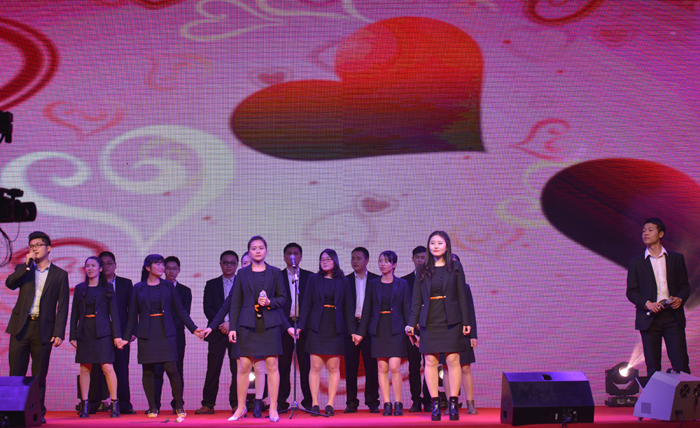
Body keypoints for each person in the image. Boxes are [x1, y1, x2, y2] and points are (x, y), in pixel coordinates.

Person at [204, 236, 288, 422]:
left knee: (272, 366)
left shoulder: (275, 273)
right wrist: (232, 327)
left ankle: (273, 409)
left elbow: (283, 299)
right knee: (244, 367)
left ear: (266, 251)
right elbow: (234, 302)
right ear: (249, 252)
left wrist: (269, 302)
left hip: (270, 325)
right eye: (254, 248)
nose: (257, 251)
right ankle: (240, 408)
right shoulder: (242, 274)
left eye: (261, 248)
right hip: (247, 325)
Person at [122, 254, 204, 418]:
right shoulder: (138, 287)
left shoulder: (168, 286)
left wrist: (194, 329)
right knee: (148, 371)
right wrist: (126, 337)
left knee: (172, 369)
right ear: (148, 268)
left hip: (166, 332)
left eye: (162, 264)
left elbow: (180, 310)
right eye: (158, 264)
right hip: (147, 333)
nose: (162, 267)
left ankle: (179, 405)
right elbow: (132, 315)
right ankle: (153, 407)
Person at [406, 231, 471, 421]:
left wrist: (466, 322)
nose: (435, 246)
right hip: (430, 320)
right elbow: (416, 299)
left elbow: (462, 296)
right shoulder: (422, 269)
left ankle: (453, 403)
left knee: (453, 361)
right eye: (432, 243)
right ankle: (435, 404)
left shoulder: (456, 267)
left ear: (447, 245)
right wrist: (411, 323)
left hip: (451, 320)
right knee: (430, 362)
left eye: (439, 243)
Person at [5, 231, 69, 424]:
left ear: (48, 248)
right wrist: (26, 266)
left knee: (39, 375)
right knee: (16, 374)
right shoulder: (24, 269)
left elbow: (63, 306)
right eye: (31, 246)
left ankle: (38, 412)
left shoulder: (60, 274)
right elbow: (10, 284)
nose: (34, 249)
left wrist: (59, 332)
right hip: (20, 328)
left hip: (44, 329)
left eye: (38, 245)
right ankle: (12, 413)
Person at [627, 218, 691, 375]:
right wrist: (647, 303)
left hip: (672, 317)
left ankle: (685, 392)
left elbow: (685, 286)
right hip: (649, 319)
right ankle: (654, 393)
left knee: (681, 363)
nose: (645, 233)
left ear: (661, 234)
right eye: (643, 230)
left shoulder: (676, 259)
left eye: (650, 230)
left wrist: (680, 299)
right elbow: (631, 291)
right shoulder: (636, 263)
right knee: (653, 367)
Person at [298, 249, 356, 416]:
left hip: (335, 326)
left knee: (333, 367)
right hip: (316, 326)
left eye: (328, 259)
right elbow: (306, 305)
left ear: (335, 261)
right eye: (322, 259)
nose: (324, 261)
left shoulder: (344, 281)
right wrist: (300, 326)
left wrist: (353, 331)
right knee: (315, 367)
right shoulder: (313, 279)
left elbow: (348, 308)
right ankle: (315, 403)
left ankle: (330, 404)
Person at [354, 251, 411, 416]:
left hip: (396, 329)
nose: (382, 264)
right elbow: (367, 310)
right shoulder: (373, 284)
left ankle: (398, 403)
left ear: (394, 265)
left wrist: (411, 330)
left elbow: (407, 309)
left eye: (386, 261)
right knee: (382, 367)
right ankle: (386, 403)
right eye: (380, 261)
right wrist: (360, 333)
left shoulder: (402, 284)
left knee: (394, 367)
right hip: (378, 329)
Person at [69, 256, 124, 418]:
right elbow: (74, 314)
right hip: (85, 331)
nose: (90, 269)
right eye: (87, 266)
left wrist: (117, 336)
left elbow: (114, 314)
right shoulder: (80, 288)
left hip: (103, 332)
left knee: (107, 367)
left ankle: (114, 403)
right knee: (84, 368)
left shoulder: (107, 288)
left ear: (100, 269)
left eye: (93, 266)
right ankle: (85, 404)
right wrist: (73, 335)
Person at [88, 251, 135, 415]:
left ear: (115, 265)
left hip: (121, 333)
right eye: (103, 263)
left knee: (121, 368)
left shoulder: (125, 284)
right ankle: (93, 403)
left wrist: (131, 332)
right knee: (96, 369)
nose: (106, 266)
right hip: (98, 333)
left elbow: (132, 310)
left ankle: (124, 404)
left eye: (109, 263)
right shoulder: (93, 284)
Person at [196, 251, 240, 415]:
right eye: (225, 262)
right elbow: (207, 308)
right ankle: (208, 404)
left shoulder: (242, 284)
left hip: (236, 333)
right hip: (216, 333)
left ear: (237, 265)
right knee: (213, 369)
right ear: (220, 264)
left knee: (237, 370)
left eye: (232, 263)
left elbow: (245, 308)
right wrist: (221, 324)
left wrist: (231, 325)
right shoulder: (211, 284)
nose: (229, 266)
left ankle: (236, 404)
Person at [440, 254, 478, 415]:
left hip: (462, 332)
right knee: (446, 368)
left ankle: (470, 403)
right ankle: (451, 403)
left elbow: (470, 312)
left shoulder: (465, 287)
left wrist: (473, 335)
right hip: (443, 331)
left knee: (465, 367)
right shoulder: (438, 286)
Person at [344, 247, 380, 413]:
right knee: (350, 367)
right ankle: (351, 402)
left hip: (370, 329)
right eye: (353, 258)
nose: (355, 261)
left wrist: (362, 331)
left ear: (367, 260)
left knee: (371, 367)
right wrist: (354, 331)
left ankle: (372, 402)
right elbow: (344, 308)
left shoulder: (376, 280)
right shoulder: (345, 280)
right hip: (350, 329)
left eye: (358, 258)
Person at [153, 256, 192, 414]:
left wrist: (168, 329)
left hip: (176, 337)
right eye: (168, 268)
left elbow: (183, 315)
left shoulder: (185, 291)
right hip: (157, 337)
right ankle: (154, 405)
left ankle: (178, 404)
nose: (171, 271)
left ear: (179, 270)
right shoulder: (155, 288)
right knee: (156, 371)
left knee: (176, 370)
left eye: (174, 268)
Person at [278, 243, 313, 411]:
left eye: (296, 253)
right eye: (289, 253)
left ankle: (309, 401)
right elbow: (275, 304)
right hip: (284, 326)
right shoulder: (277, 276)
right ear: (284, 257)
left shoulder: (310, 277)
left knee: (306, 366)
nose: (292, 256)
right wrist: (287, 326)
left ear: (301, 256)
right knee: (283, 366)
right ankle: (281, 401)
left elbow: (313, 304)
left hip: (304, 327)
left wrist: (302, 326)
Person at [401, 245, 427, 412]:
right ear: (412, 259)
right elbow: (404, 306)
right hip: (412, 330)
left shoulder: (434, 279)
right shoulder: (404, 281)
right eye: (417, 257)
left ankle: (430, 400)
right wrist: (413, 323)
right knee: (414, 367)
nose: (420, 260)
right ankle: (416, 400)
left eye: (423, 257)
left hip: (431, 329)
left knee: (431, 365)